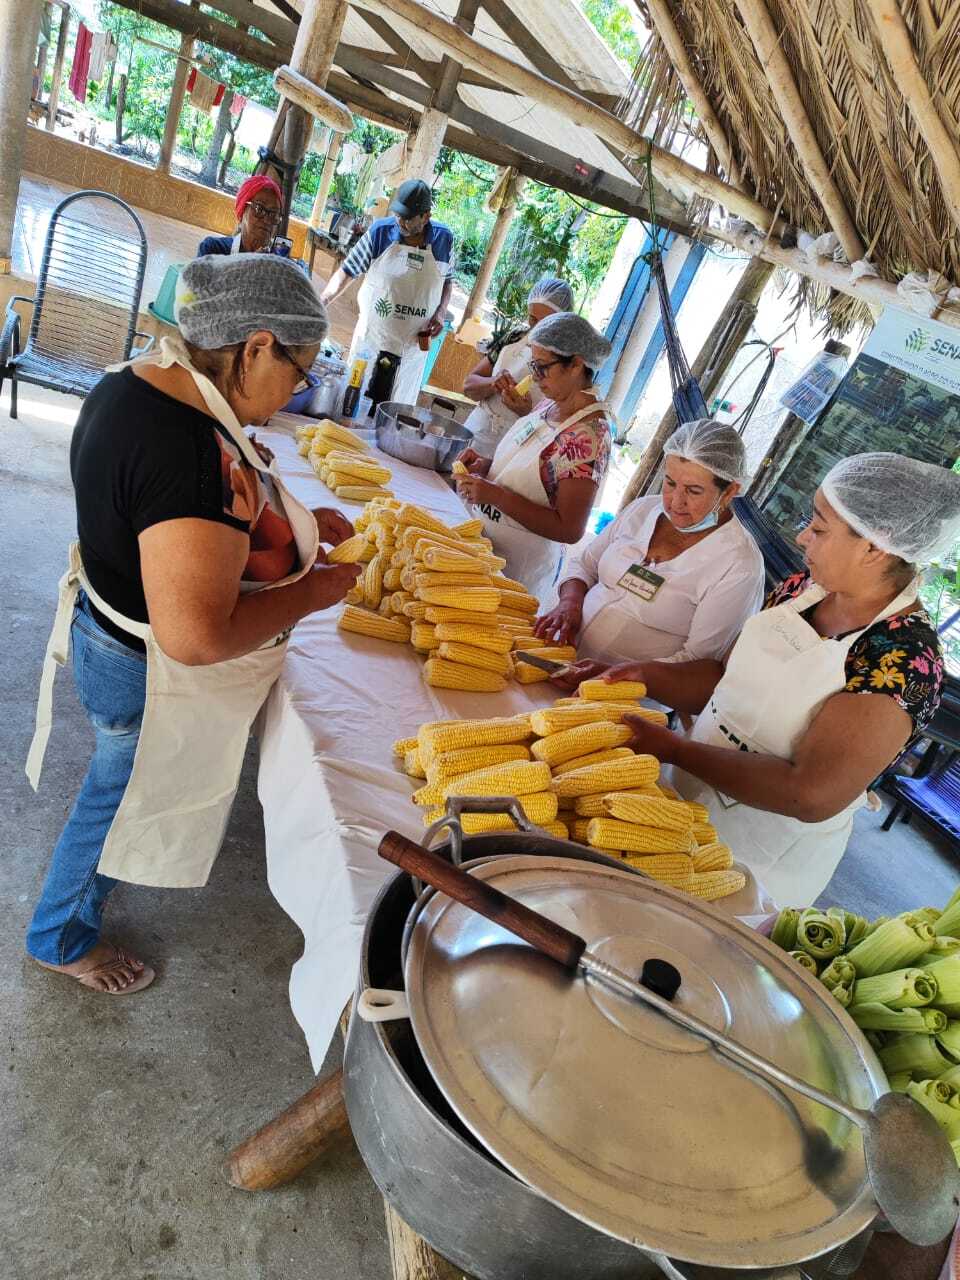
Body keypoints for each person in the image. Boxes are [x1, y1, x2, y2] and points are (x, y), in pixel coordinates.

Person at [24, 255, 362, 994]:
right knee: (116, 797)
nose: (295, 392)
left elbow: (188, 513)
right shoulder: (184, 453)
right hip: (134, 660)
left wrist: (287, 521)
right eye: (299, 373)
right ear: (257, 347)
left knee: (115, 786)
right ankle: (58, 936)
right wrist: (316, 591)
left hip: (100, 620)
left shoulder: (136, 383)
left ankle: (63, 922)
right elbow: (198, 637)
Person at [585, 453, 960, 907]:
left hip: (754, 863)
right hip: (677, 803)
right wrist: (643, 676)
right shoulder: (801, 590)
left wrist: (672, 749)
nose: (803, 536)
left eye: (819, 529)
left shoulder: (903, 658)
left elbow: (811, 791)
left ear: (875, 547)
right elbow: (726, 679)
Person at [535, 419, 764, 666]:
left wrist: (620, 675)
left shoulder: (739, 565)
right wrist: (570, 602)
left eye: (693, 491)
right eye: (670, 483)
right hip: (561, 653)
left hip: (625, 697)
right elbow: (585, 564)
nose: (675, 502)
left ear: (730, 491)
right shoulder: (643, 510)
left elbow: (699, 661)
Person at [454, 312, 614, 598]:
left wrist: (496, 496)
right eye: (533, 367)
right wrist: (485, 466)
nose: (534, 377)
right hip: (482, 541)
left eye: (542, 368)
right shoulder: (548, 405)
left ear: (576, 365)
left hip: (516, 568)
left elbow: (570, 528)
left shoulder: (589, 436)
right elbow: (534, 472)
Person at [320, 178, 455, 405]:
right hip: (372, 342)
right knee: (354, 404)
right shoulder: (380, 232)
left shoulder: (444, 239)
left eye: (408, 217)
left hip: (411, 350)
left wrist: (441, 311)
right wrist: (322, 300)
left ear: (426, 216)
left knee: (392, 414)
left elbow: (448, 281)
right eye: (397, 214)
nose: (400, 221)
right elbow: (348, 271)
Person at [462, 277, 575, 456]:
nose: (537, 328)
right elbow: (468, 386)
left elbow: (557, 430)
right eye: (532, 318)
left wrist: (526, 413)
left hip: (513, 451)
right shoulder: (514, 337)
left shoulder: (569, 363)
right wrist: (494, 383)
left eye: (546, 322)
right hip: (473, 433)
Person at [197, 175, 285, 257]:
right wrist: (252, 264)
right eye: (259, 209)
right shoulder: (213, 250)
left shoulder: (280, 263)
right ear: (242, 210)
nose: (267, 220)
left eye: (274, 214)